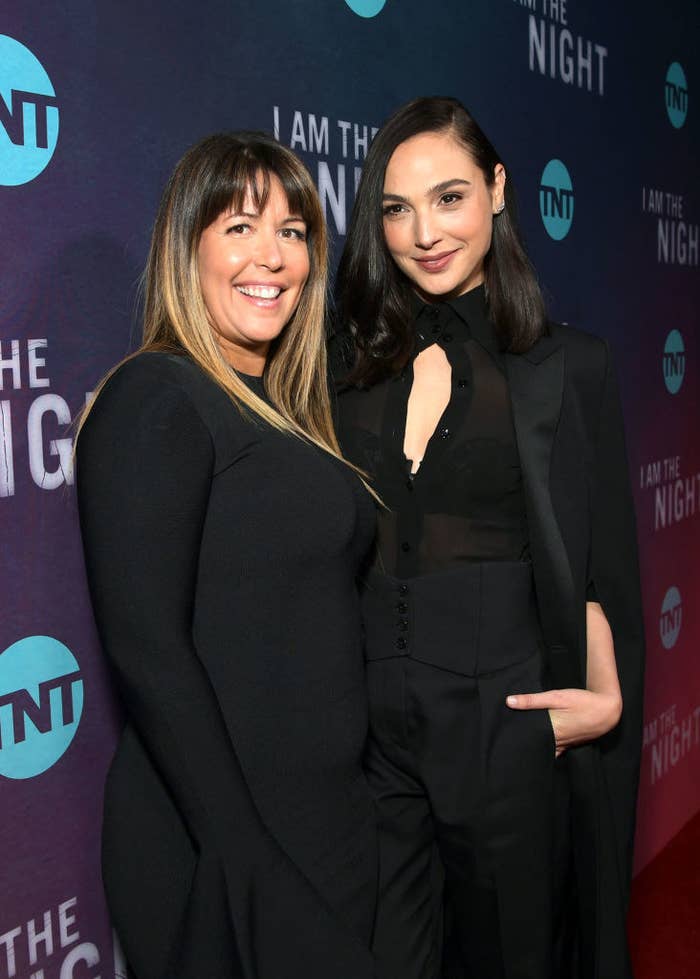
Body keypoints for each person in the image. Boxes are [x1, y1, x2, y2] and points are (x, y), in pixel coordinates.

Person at [332, 97, 645, 979]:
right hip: (372, 737)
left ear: (500, 190)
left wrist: (608, 692)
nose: (424, 232)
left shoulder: (567, 367)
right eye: (397, 209)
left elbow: (598, 557)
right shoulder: (349, 367)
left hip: (503, 724)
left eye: (450, 197)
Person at [76, 132, 378, 979]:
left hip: (327, 827)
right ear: (189, 245)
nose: (272, 255)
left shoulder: (287, 410)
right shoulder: (157, 395)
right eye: (240, 226)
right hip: (222, 845)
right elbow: (147, 646)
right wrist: (245, 859)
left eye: (294, 231)